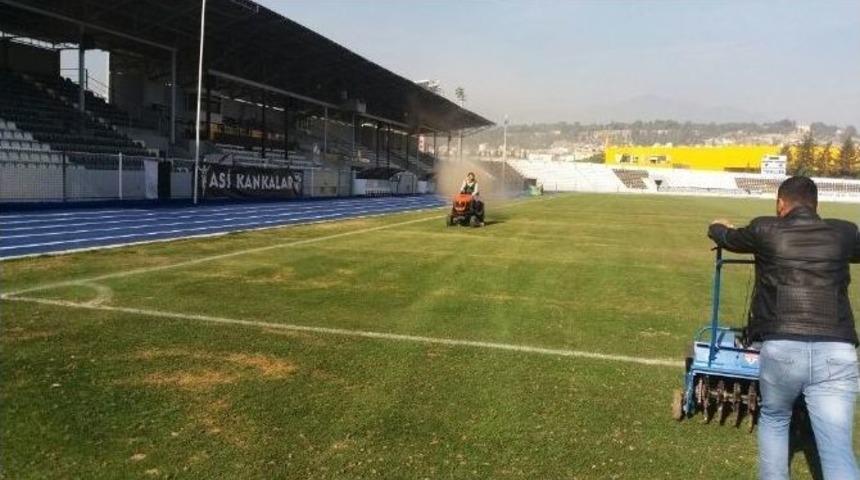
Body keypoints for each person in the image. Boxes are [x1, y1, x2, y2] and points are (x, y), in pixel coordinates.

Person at [708, 176, 860, 480]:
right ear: (817, 205)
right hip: (837, 350)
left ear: (780, 204)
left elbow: (728, 238)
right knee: (837, 446)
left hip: (782, 346)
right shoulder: (843, 232)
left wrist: (716, 226)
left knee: (776, 419)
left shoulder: (766, 229)